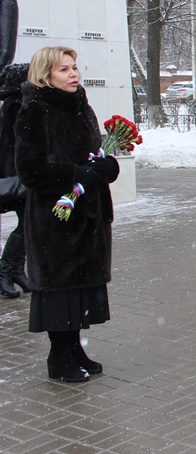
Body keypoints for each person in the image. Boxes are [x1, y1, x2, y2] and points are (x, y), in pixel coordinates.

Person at [16, 47, 120, 382]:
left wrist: (108, 167)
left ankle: (75, 349)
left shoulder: (80, 105)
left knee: (79, 290)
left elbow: (95, 153)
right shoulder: (35, 110)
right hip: (56, 220)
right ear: (46, 75)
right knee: (60, 290)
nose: (73, 74)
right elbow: (30, 171)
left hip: (88, 218)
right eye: (64, 69)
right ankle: (58, 357)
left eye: (74, 67)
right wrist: (73, 174)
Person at [0, 63, 29, 298]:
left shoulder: (18, 103)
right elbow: (12, 144)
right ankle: (5, 271)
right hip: (19, 174)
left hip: (21, 172)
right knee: (27, 223)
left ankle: (16, 271)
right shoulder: (17, 104)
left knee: (27, 222)